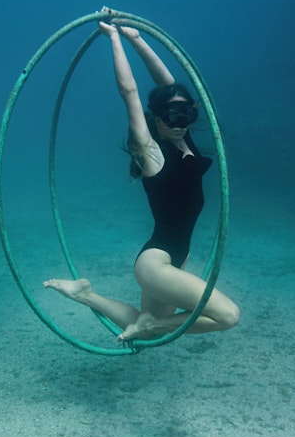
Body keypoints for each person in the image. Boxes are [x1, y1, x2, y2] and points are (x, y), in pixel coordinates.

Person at [43, 21, 239, 341]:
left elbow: (170, 86)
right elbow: (130, 92)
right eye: (173, 118)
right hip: (155, 264)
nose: (181, 124)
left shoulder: (181, 139)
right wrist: (113, 38)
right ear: (156, 117)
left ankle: (84, 294)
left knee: (143, 326)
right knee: (228, 315)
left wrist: (137, 38)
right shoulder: (151, 152)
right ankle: (153, 325)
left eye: (187, 117)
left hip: (172, 258)